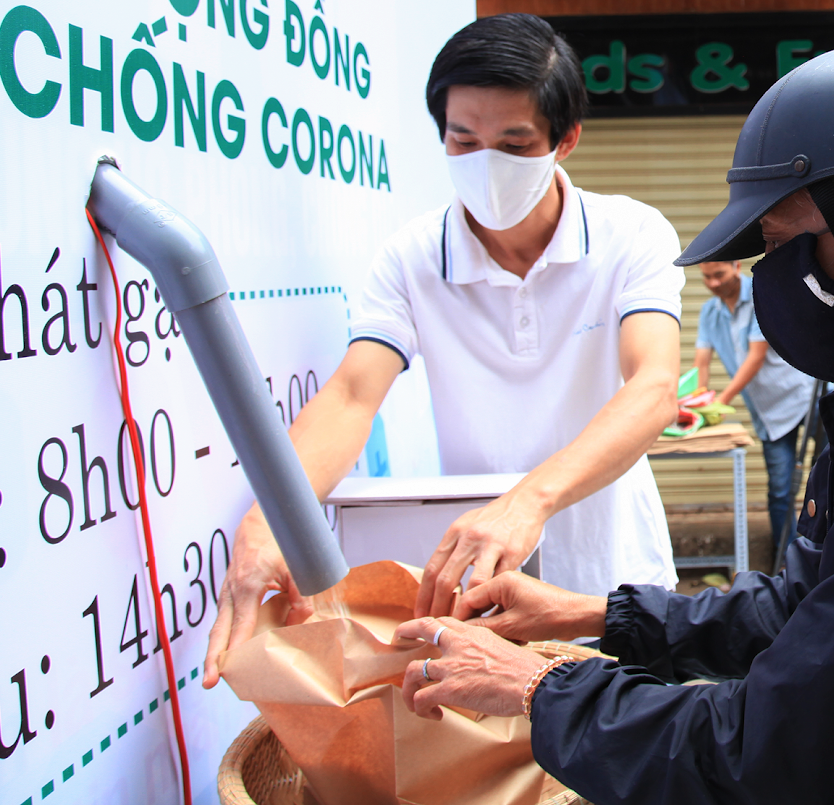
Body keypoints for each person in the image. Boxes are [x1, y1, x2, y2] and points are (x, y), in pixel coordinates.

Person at [393, 40, 834, 803]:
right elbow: (817, 610)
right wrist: (594, 614)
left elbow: (769, 743)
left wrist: (543, 689)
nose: (764, 272)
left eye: (776, 242)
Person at [202, 14, 685, 688]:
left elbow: (654, 386)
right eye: (463, 139)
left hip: (612, 579)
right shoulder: (412, 257)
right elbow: (350, 395)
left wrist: (526, 502)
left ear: (564, 139)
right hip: (484, 592)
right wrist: (271, 518)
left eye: (514, 144)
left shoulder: (629, 235)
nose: (486, 163)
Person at [693, 258, 816, 553]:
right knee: (780, 488)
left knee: (832, 474)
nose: (713, 283)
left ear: (736, 267)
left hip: (803, 395)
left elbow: (755, 358)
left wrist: (720, 402)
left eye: (719, 274)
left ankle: (832, 549)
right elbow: (702, 361)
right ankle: (787, 557)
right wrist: (698, 400)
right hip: (768, 411)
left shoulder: (761, 295)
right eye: (706, 278)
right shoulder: (710, 312)